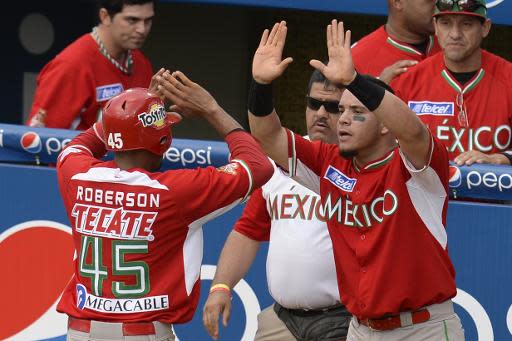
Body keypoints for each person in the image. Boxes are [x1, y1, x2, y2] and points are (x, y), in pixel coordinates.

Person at [248, 20, 464, 340]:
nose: (344, 118)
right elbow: (268, 136)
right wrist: (261, 85)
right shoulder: (329, 162)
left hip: (421, 328)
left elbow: (414, 130)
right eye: (342, 110)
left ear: (385, 125)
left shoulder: (417, 167)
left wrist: (354, 79)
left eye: (357, 111)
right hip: (361, 329)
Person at [55, 72, 273, 340]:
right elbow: (259, 165)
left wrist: (131, 113)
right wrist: (211, 109)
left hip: (80, 331)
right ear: (161, 141)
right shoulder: (175, 191)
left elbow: (81, 144)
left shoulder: (76, 174)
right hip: (141, 333)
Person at [202, 70, 351, 341]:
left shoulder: (362, 166)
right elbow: (248, 231)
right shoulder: (280, 162)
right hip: (282, 320)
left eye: (332, 107)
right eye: (313, 103)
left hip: (344, 317)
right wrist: (221, 286)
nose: (320, 113)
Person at [391, 0, 512, 165]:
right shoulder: (407, 83)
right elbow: (380, 148)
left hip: (493, 189)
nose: (455, 34)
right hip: (426, 190)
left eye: (466, 24)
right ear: (435, 26)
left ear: (485, 28)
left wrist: (503, 158)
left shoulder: (508, 78)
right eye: (446, 23)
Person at [27, 0, 156, 130]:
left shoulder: (140, 63)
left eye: (148, 21)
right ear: (105, 16)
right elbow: (42, 140)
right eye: (132, 20)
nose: (142, 29)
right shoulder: (72, 65)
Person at [352, 0, 441, 83]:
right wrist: (378, 93)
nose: (440, 5)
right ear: (397, 2)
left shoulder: (451, 47)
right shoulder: (356, 60)